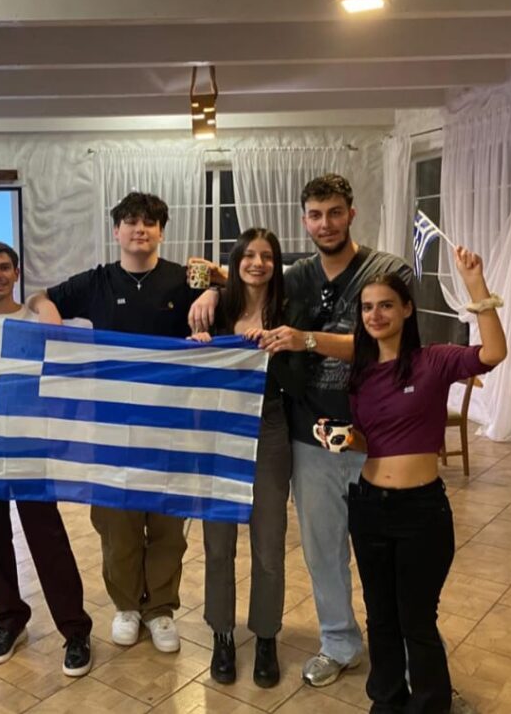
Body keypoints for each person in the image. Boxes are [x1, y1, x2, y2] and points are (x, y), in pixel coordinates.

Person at [190, 174, 412, 687]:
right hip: (308, 434)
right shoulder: (300, 277)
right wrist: (215, 290)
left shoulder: (387, 271)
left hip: (377, 434)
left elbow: (391, 345)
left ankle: (407, 650)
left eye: (334, 212)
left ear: (351, 213)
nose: (325, 223)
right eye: (315, 215)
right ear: (305, 221)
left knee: (387, 551)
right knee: (322, 551)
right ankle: (338, 643)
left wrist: (306, 340)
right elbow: (252, 274)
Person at [28, 191, 198, 654]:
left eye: (149, 223)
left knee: (166, 526)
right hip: (111, 425)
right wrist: (49, 315)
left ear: (161, 232)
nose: (140, 229)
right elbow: (40, 297)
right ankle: (126, 606)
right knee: (117, 523)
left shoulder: (184, 281)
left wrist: (214, 290)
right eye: (131, 222)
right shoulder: (98, 281)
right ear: (116, 231)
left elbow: (227, 304)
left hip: (171, 425)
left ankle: (160, 608)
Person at [337, 248, 505, 713]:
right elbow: (369, 440)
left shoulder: (434, 360)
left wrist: (476, 286)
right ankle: (387, 701)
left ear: (407, 309)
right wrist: (344, 438)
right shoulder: (361, 375)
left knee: (416, 619)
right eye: (367, 307)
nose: (375, 315)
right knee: (380, 618)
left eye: (386, 305)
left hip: (421, 511)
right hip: (368, 506)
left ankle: (430, 706)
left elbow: (493, 353)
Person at [0, 240, 93, 675]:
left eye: (3, 267)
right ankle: (10, 620)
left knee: (47, 538)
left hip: (32, 448)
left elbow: (68, 377)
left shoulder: (39, 323)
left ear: (16, 273)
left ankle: (75, 629)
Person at [188, 228, 299, 687]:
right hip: (218, 429)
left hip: (269, 425)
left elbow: (302, 370)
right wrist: (199, 348)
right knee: (218, 543)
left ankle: (267, 635)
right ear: (234, 263)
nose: (257, 263)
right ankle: (222, 634)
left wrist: (278, 345)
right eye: (248, 255)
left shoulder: (290, 309)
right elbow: (191, 374)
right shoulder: (213, 308)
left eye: (266, 256)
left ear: (276, 263)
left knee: (269, 541)